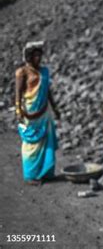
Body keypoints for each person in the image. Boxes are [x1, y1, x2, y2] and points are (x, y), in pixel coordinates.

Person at [15, 41, 61, 185]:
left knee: (46, 141)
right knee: (31, 143)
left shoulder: (44, 71)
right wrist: (18, 110)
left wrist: (55, 108)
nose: (38, 59)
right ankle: (31, 175)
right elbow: (18, 93)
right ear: (29, 57)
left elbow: (48, 91)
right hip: (30, 111)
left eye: (40, 56)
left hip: (44, 111)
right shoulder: (22, 72)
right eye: (35, 56)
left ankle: (45, 172)